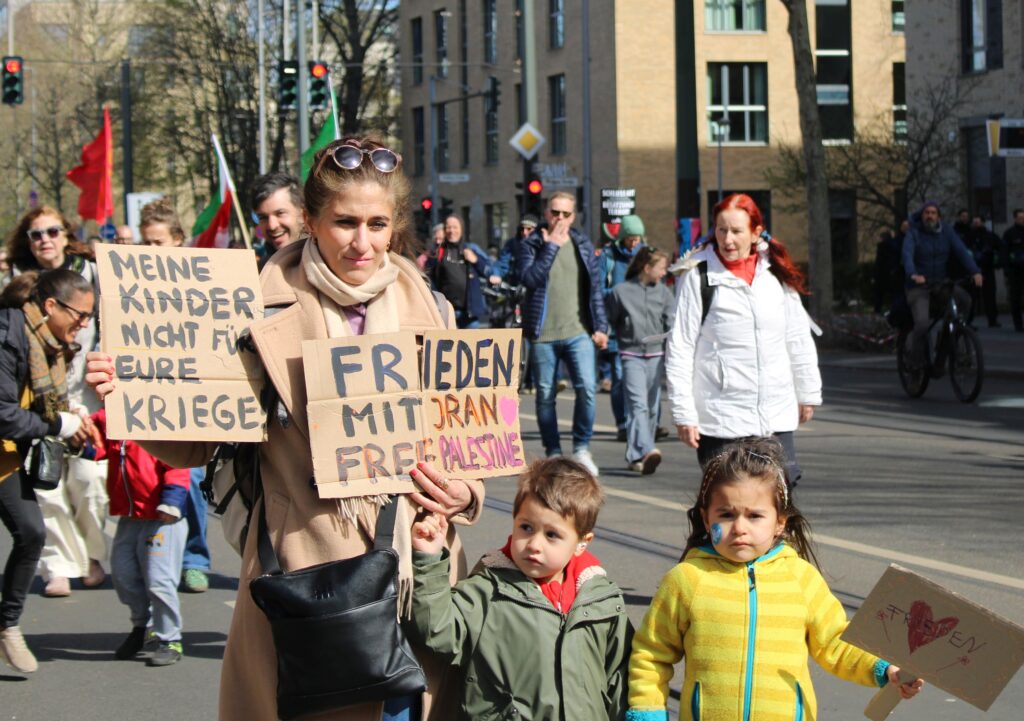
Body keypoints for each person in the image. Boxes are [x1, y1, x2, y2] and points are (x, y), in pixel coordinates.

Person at [86, 136, 484, 721]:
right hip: (309, 580)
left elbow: (462, 442)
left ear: (395, 226)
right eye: (345, 222)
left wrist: (464, 493)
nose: (362, 242)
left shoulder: (435, 311)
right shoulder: (252, 310)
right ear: (312, 222)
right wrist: (131, 395)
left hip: (416, 577)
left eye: (377, 224)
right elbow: (197, 439)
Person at [625, 438, 924, 721]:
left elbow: (836, 643)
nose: (740, 528)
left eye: (755, 516)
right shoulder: (686, 580)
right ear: (706, 519)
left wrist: (884, 669)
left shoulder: (800, 578)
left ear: (780, 521)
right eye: (726, 514)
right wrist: (647, 712)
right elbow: (651, 655)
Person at [408, 457, 631, 720]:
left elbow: (620, 679)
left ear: (582, 542)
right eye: (526, 528)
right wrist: (429, 562)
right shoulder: (489, 590)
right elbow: (438, 633)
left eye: (552, 535)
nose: (534, 544)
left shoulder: (602, 601)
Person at [665, 193, 820, 484]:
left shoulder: (776, 274)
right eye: (721, 230)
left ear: (755, 232)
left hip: (775, 416)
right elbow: (680, 348)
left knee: (778, 498)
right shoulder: (698, 276)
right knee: (729, 500)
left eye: (736, 231)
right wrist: (683, 413)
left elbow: (797, 336)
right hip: (722, 419)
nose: (728, 239)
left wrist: (807, 391)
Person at [5, 207, 106, 597]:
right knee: (46, 486)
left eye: (51, 231)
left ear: (65, 234)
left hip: (82, 393)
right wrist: (56, 418)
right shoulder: (17, 289)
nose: (44, 239)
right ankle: (58, 566)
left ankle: (91, 556)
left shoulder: (92, 272)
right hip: (36, 402)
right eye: (36, 234)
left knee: (89, 481)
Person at [0, 269, 98, 674]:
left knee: (32, 532)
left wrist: (70, 418)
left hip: (4, 456)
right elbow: (4, 414)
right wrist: (59, 424)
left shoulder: (52, 344)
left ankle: (7, 626)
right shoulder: (6, 334)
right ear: (51, 306)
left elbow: (41, 404)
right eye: (80, 314)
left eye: (90, 316)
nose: (85, 324)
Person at [137, 198, 213, 594]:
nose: (151, 251)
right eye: (145, 243)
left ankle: (195, 558)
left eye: (158, 242)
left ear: (178, 240)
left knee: (191, 476)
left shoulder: (199, 282)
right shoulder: (133, 287)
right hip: (153, 393)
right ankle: (155, 553)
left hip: (194, 394)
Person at [90, 408, 191, 666]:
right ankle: (143, 627)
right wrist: (77, 429)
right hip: (130, 518)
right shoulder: (116, 419)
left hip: (162, 519)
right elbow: (97, 444)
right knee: (123, 576)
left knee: (159, 581)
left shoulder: (162, 419)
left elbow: (179, 463)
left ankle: (170, 638)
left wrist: (172, 501)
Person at [519, 192, 609, 476]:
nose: (559, 218)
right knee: (545, 395)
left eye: (565, 214)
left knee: (587, 388)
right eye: (555, 212)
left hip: (578, 331)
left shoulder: (582, 244)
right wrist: (551, 247)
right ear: (546, 213)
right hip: (542, 334)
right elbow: (529, 279)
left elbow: (594, 290)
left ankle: (581, 448)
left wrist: (601, 326)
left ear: (574, 216)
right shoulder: (532, 244)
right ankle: (553, 452)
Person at [607, 247, 675, 475]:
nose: (664, 273)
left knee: (653, 408)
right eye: (661, 268)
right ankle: (646, 451)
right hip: (631, 355)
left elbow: (671, 321)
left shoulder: (664, 293)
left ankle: (635, 455)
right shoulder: (620, 291)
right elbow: (610, 318)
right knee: (638, 406)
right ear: (647, 268)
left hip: (655, 355)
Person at [902, 201, 983, 367]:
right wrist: (913, 274)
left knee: (965, 300)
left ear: (938, 216)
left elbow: (961, 251)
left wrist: (975, 271)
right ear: (922, 215)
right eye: (926, 213)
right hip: (918, 287)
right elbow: (907, 254)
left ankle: (949, 336)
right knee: (922, 324)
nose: (930, 216)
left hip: (940, 284)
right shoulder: (914, 232)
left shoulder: (947, 231)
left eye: (933, 213)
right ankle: (914, 360)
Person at [600, 214, 647, 441]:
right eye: (630, 239)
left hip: (642, 327)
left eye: (637, 239)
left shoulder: (645, 254)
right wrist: (621, 294)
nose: (634, 243)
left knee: (644, 378)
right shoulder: (608, 256)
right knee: (619, 376)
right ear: (623, 237)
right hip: (617, 326)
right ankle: (622, 423)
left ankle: (645, 423)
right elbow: (598, 290)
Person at [426, 214, 490, 329]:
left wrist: (475, 260)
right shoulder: (438, 252)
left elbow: (488, 271)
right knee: (448, 341)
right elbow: (428, 277)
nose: (451, 231)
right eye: (448, 227)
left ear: (461, 229)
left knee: (471, 340)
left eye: (455, 227)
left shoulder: (471, 248)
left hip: (469, 312)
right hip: (446, 312)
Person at [251, 172, 303, 267]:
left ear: (303, 214)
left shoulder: (326, 262)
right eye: (263, 217)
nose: (272, 226)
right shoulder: (260, 271)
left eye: (280, 213)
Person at [964, 215, 1001, 327]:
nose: (976, 224)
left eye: (978, 222)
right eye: (974, 222)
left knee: (990, 295)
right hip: (973, 270)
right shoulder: (969, 236)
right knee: (972, 296)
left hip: (987, 268)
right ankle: (968, 320)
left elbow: (1000, 248)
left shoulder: (990, 236)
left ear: (983, 223)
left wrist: (996, 260)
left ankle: (992, 319)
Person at [1002, 208, 1024, 332]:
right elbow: (1004, 253)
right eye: (1020, 218)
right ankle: (1018, 325)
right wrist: (1006, 270)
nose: (1022, 220)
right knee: (1015, 298)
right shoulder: (1009, 233)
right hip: (1014, 271)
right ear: (1015, 219)